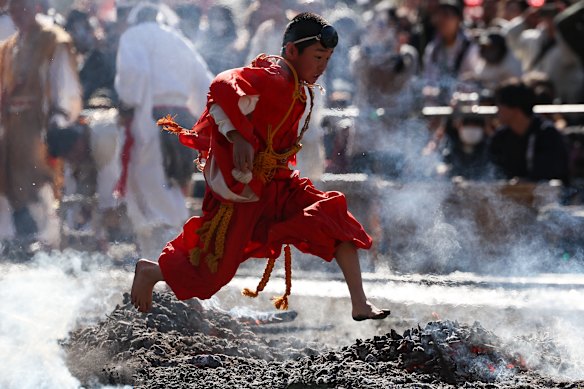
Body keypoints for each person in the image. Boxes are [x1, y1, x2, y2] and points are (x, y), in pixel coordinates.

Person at [131, 12, 391, 322]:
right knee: (212, 275)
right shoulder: (274, 77)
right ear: (292, 52)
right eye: (318, 57)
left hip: (278, 184)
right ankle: (151, 271)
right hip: (246, 193)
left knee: (334, 218)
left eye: (328, 58)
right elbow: (221, 87)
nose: (323, 67)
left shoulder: (296, 83)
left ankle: (359, 303)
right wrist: (239, 136)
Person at [115, 2, 213, 258]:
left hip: (150, 119)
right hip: (181, 121)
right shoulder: (179, 40)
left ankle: (167, 262)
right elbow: (205, 84)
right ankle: (163, 262)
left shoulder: (132, 36)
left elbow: (132, 77)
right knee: (172, 189)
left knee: (153, 193)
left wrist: (129, 104)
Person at [0, 0, 82, 247]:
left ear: (36, 8)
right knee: (12, 180)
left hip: (40, 123)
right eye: (13, 11)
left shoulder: (52, 40)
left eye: (22, 9)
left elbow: (62, 82)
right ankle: (21, 238)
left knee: (42, 180)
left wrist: (59, 117)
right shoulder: (9, 47)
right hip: (12, 125)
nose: (17, 16)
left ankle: (48, 238)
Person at [489, 79, 569, 184]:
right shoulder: (500, 137)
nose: (497, 110)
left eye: (500, 104)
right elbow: (494, 170)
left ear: (515, 108)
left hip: (546, 197)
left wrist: (525, 183)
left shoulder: (547, 134)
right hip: (507, 197)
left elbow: (552, 174)